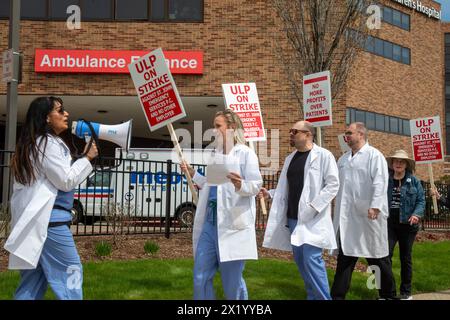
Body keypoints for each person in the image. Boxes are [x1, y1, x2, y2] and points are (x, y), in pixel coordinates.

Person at [3, 96, 98, 300]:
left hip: (36, 222)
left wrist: (82, 159)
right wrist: (87, 158)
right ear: (46, 117)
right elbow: (65, 180)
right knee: (71, 271)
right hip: (49, 222)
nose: (66, 114)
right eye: (60, 110)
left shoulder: (32, 144)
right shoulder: (47, 143)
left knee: (33, 283)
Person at [180, 109, 262, 300]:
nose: (214, 130)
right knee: (200, 276)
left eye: (218, 126)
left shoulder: (246, 153)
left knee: (231, 282)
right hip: (210, 224)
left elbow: (256, 185)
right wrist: (192, 173)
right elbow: (210, 185)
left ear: (232, 127)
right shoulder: (215, 154)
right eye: (214, 126)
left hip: (232, 225)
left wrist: (241, 184)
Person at [261, 120, 339, 300]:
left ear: (308, 135)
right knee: (301, 262)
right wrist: (270, 193)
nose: (291, 134)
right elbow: (287, 187)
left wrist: (314, 206)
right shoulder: (291, 158)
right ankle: (312, 296)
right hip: (293, 219)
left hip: (312, 218)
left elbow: (333, 185)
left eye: (294, 131)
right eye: (290, 131)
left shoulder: (324, 156)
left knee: (312, 260)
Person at [331, 122, 395, 300]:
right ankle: (337, 296)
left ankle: (388, 294)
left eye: (349, 133)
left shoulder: (374, 156)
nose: (347, 136)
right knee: (345, 259)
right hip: (347, 219)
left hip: (369, 217)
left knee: (377, 259)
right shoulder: (343, 160)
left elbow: (380, 182)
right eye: (346, 134)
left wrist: (375, 205)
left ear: (361, 134)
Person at [386, 150, 424, 300]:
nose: (398, 163)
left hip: (408, 226)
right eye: (396, 161)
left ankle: (406, 292)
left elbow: (421, 201)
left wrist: (416, 214)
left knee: (405, 258)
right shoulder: (386, 180)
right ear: (392, 164)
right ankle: (389, 291)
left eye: (402, 161)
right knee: (386, 256)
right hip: (389, 224)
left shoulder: (414, 181)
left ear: (406, 164)